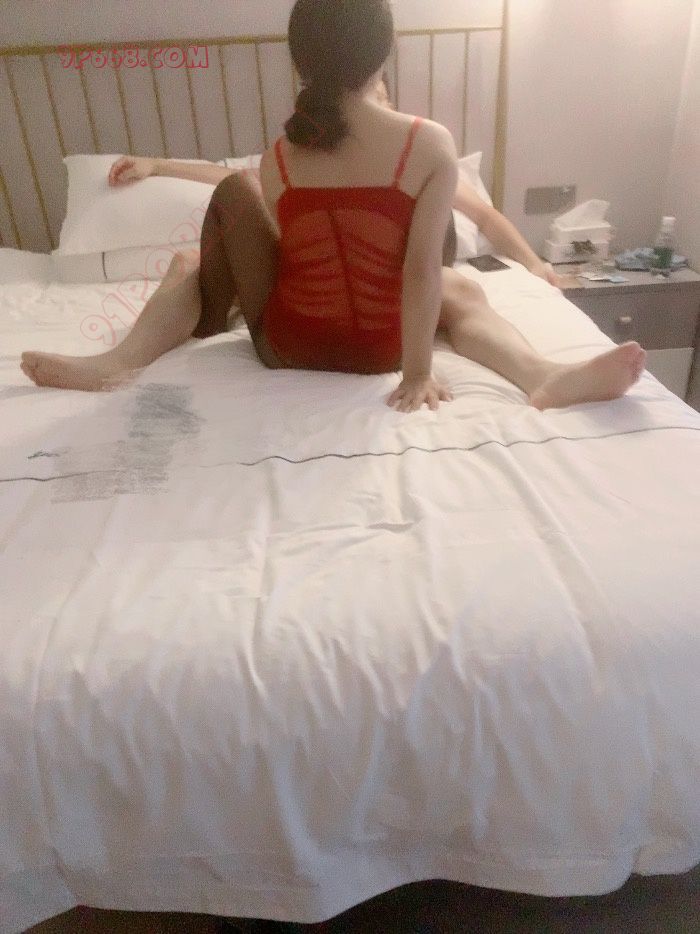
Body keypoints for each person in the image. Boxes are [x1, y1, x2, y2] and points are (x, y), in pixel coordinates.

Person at [21, 0, 645, 412]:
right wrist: (417, 374)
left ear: (299, 61)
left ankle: (122, 360)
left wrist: (162, 168)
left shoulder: (279, 158)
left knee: (222, 212)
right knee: (459, 287)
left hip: (289, 346)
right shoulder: (428, 145)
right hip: (386, 350)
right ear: (382, 54)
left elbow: (270, 234)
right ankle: (539, 374)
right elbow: (421, 272)